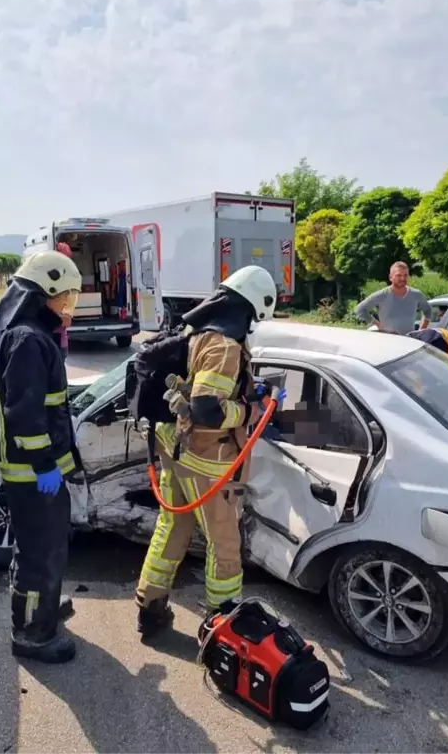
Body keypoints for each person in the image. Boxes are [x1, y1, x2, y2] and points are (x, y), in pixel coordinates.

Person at [135, 265, 278, 639]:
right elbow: (206, 409)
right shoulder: (226, 345)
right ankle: (223, 625)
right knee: (224, 544)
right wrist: (249, 411)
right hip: (207, 461)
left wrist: (244, 388)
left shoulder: (198, 330)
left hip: (175, 451)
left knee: (171, 529)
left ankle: (149, 609)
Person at [0, 250, 82, 664]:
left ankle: (42, 605)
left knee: (43, 549)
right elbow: (24, 413)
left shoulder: (32, 334)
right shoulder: (28, 339)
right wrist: (44, 465)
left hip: (39, 471)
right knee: (38, 555)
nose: (68, 308)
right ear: (43, 295)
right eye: (65, 298)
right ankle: (31, 634)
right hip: (32, 474)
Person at [354, 261, 432, 334]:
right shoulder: (382, 295)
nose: (403, 278)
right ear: (390, 277)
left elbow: (428, 310)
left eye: (405, 275)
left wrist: (421, 332)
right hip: (389, 342)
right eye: (399, 275)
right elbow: (360, 309)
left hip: (409, 342)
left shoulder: (416, 294)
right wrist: (376, 323)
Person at [55, 242, 74, 361]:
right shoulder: (52, 280)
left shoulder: (65, 280)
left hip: (60, 339)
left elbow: (67, 320)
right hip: (53, 337)